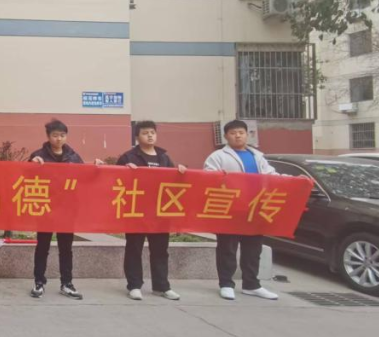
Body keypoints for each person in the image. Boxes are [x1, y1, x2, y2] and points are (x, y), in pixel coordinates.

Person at [204, 120, 280, 301]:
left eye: (241, 132)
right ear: (226, 136)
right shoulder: (218, 156)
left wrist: (295, 180)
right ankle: (226, 284)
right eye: (233, 133)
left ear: (247, 135)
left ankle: (251, 284)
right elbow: (207, 176)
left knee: (253, 249)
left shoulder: (258, 156)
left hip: (254, 208)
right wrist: (219, 178)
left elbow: (273, 176)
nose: (237, 136)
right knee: (227, 248)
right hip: (230, 208)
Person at [29, 119, 103, 300]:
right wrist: (31, 163)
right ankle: (39, 282)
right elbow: (26, 176)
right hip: (46, 208)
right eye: (55, 135)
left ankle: (67, 283)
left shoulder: (73, 156)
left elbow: (84, 178)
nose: (59, 139)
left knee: (66, 248)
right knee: (42, 246)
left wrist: (96, 167)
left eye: (62, 135)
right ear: (48, 136)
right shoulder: (38, 155)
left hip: (67, 210)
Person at [115, 121, 187, 301]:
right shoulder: (128, 157)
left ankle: (162, 286)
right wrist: (124, 171)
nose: (149, 136)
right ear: (137, 137)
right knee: (134, 249)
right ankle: (134, 285)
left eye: (152, 133)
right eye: (145, 133)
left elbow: (174, 183)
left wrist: (180, 172)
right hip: (136, 210)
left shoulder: (164, 158)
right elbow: (115, 180)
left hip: (160, 212)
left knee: (160, 250)